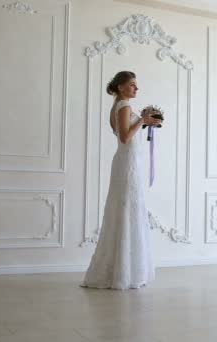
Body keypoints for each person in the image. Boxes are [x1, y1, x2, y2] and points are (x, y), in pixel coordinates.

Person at [81, 71, 162, 290]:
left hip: (127, 163)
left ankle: (123, 269)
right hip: (127, 164)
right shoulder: (124, 106)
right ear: (120, 87)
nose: (137, 89)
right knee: (126, 210)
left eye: (136, 85)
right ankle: (124, 272)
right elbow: (125, 137)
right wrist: (142, 121)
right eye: (132, 85)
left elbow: (126, 132)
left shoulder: (121, 106)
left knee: (125, 210)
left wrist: (144, 122)